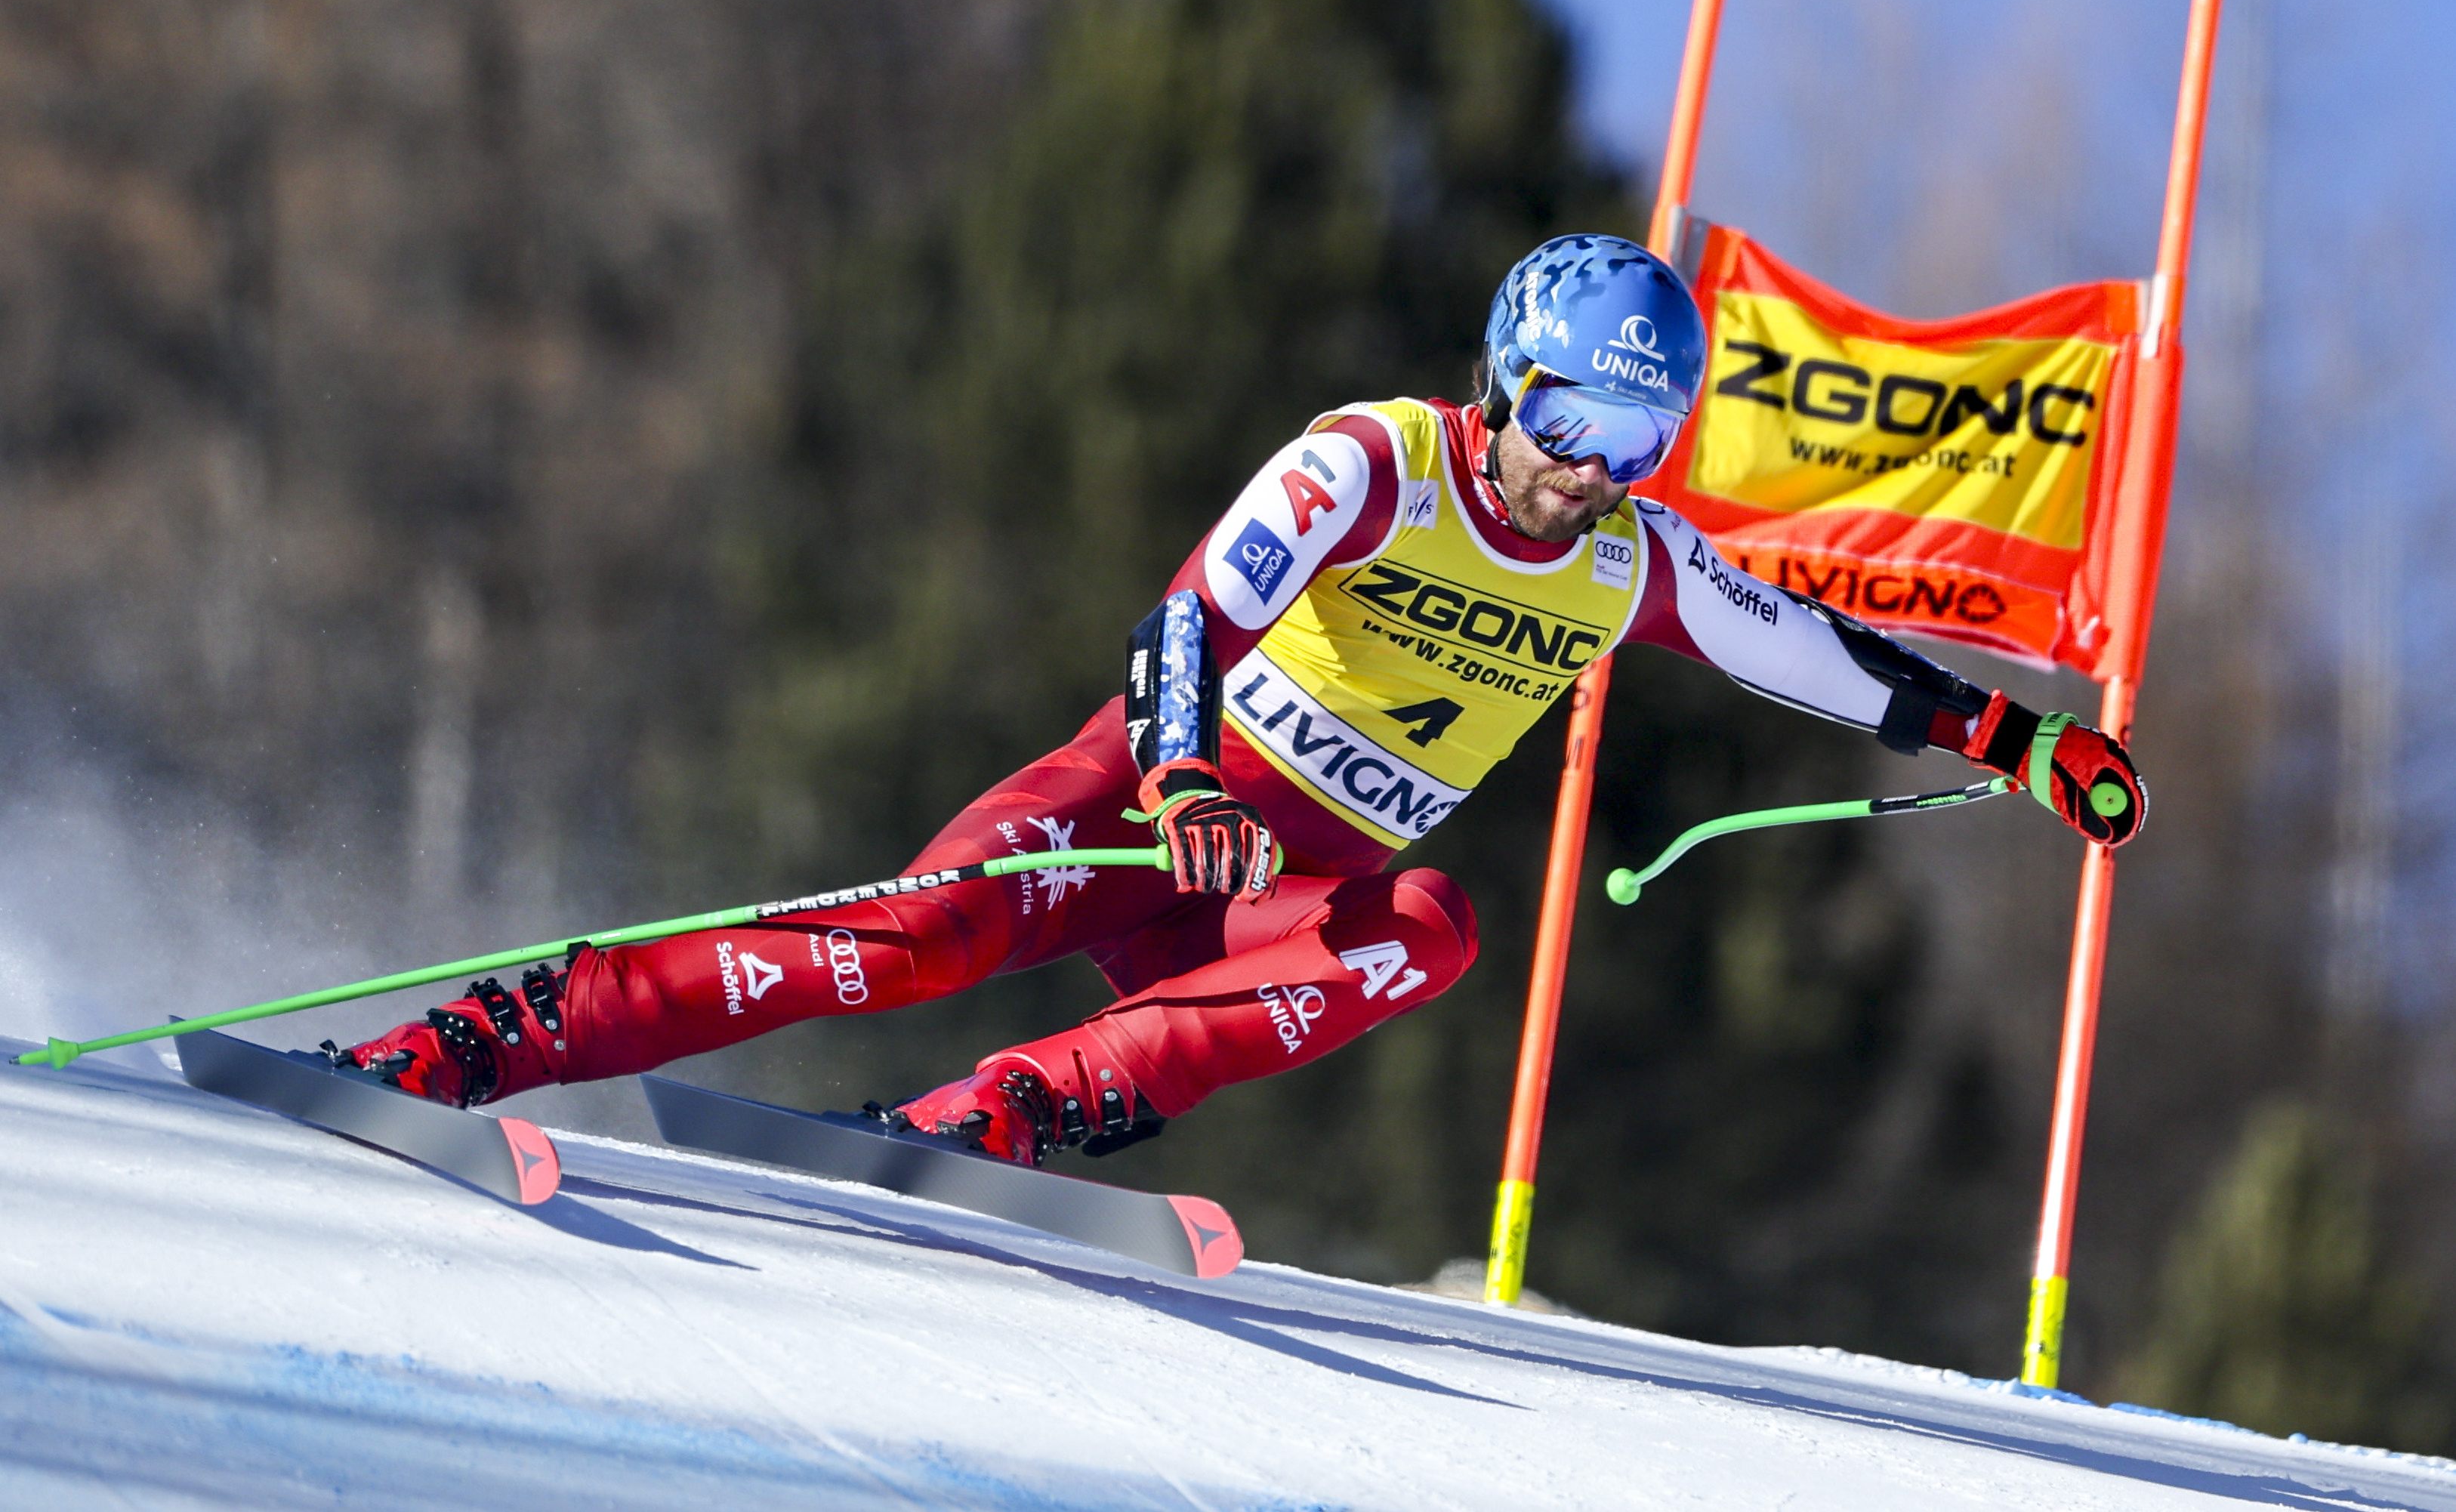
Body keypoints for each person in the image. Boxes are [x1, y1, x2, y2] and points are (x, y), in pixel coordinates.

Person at [341, 235, 2146, 1165]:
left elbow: (1825, 654)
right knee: (921, 931)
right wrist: (1189, 771)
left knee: (1430, 923)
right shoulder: (1380, 460)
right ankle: (494, 1034)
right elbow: (1186, 617)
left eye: (1634, 445)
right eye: (1568, 422)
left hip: (1290, 883)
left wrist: (2030, 742)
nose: (1581, 476)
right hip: (1156, 796)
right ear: (1504, 381)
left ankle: (1016, 1113)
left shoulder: (1631, 558)